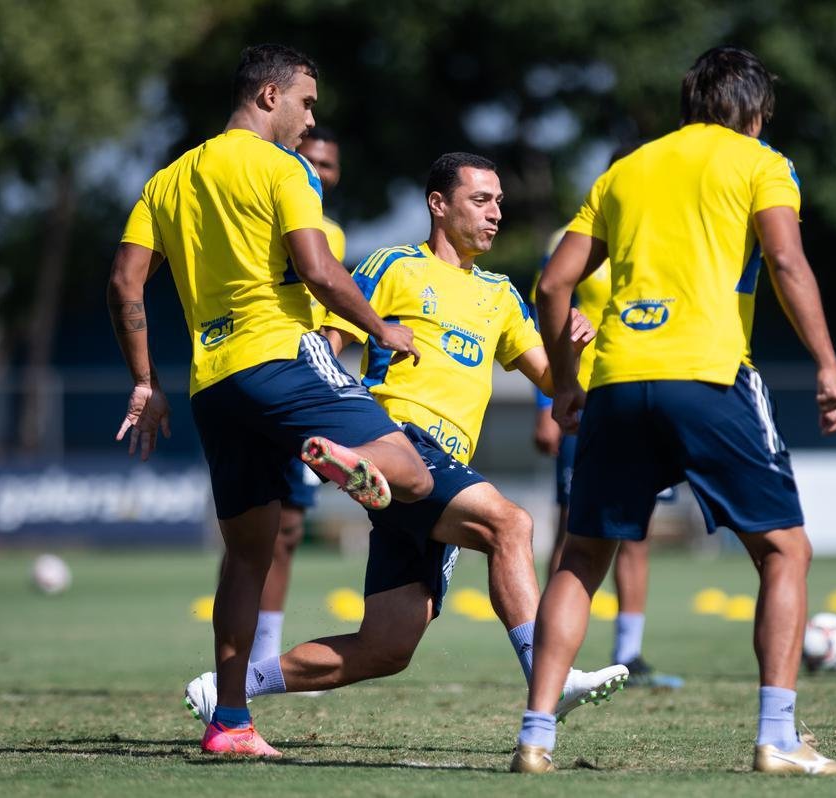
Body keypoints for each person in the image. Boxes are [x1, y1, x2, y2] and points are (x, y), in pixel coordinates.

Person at [183, 152, 628, 727]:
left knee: (387, 648)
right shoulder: (391, 265)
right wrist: (306, 417)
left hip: (438, 472)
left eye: (499, 203)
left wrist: (574, 345)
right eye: (481, 200)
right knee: (510, 524)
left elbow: (551, 377)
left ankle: (228, 687)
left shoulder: (501, 294)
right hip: (406, 440)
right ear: (438, 205)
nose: (495, 215)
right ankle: (550, 674)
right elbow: (330, 341)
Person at [512, 46, 836, 775]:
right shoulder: (762, 162)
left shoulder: (625, 170)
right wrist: (826, 363)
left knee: (579, 558)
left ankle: (536, 737)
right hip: (709, 375)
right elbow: (787, 262)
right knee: (785, 552)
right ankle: (778, 738)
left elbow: (552, 286)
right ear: (756, 110)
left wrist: (565, 384)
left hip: (617, 382)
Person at [108, 43, 434, 758]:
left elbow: (125, 283)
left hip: (213, 384)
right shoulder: (282, 168)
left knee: (246, 559)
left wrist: (146, 381)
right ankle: (335, 458)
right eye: (305, 102)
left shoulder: (168, 179)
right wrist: (381, 327)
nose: (309, 116)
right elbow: (317, 271)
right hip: (282, 356)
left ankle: (230, 723)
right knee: (412, 477)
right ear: (268, 98)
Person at [533, 221, 683, 690]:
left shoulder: (664, 237)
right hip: (588, 403)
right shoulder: (567, 242)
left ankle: (629, 653)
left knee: (637, 530)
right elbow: (550, 315)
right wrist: (548, 401)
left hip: (649, 401)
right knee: (573, 529)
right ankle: (543, 654)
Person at [247, 124, 347, 666]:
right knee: (253, 529)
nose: (317, 172)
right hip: (264, 369)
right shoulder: (264, 210)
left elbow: (331, 314)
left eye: (327, 165)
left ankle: (263, 654)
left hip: (306, 374)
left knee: (288, 527)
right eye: (308, 159)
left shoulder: (332, 231)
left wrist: (324, 354)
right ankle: (239, 661)